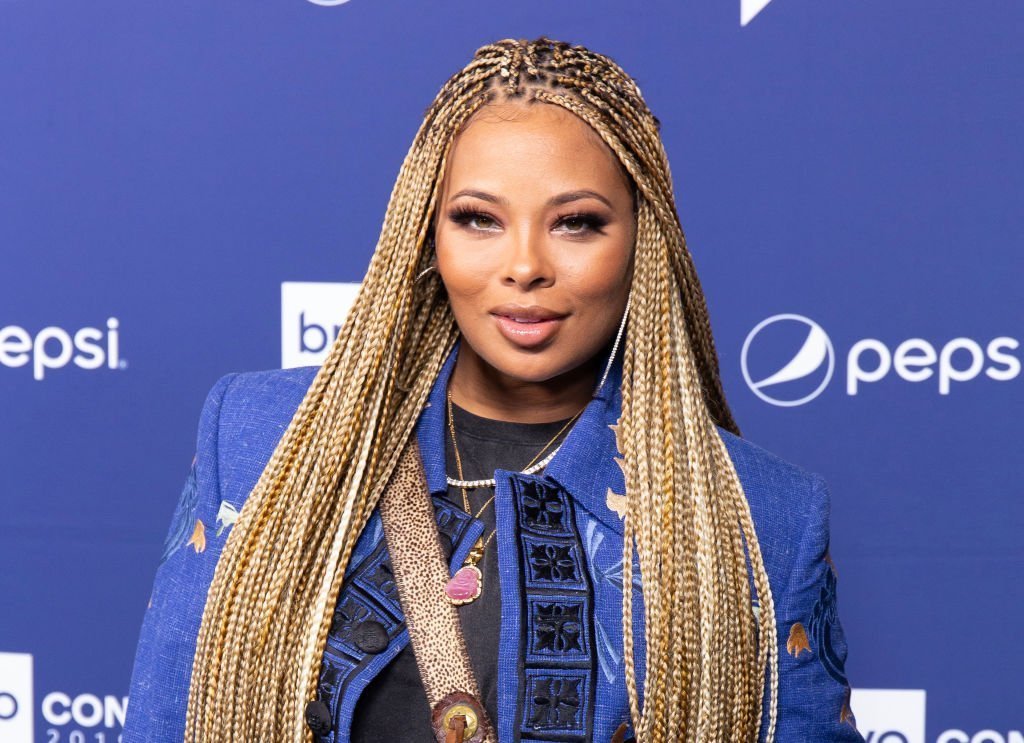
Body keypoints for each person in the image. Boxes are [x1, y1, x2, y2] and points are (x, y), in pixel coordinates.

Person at [122, 36, 864, 743]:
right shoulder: (258, 436)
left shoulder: (765, 517)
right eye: (479, 219)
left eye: (576, 223)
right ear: (427, 234)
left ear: (642, 240)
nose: (524, 265)